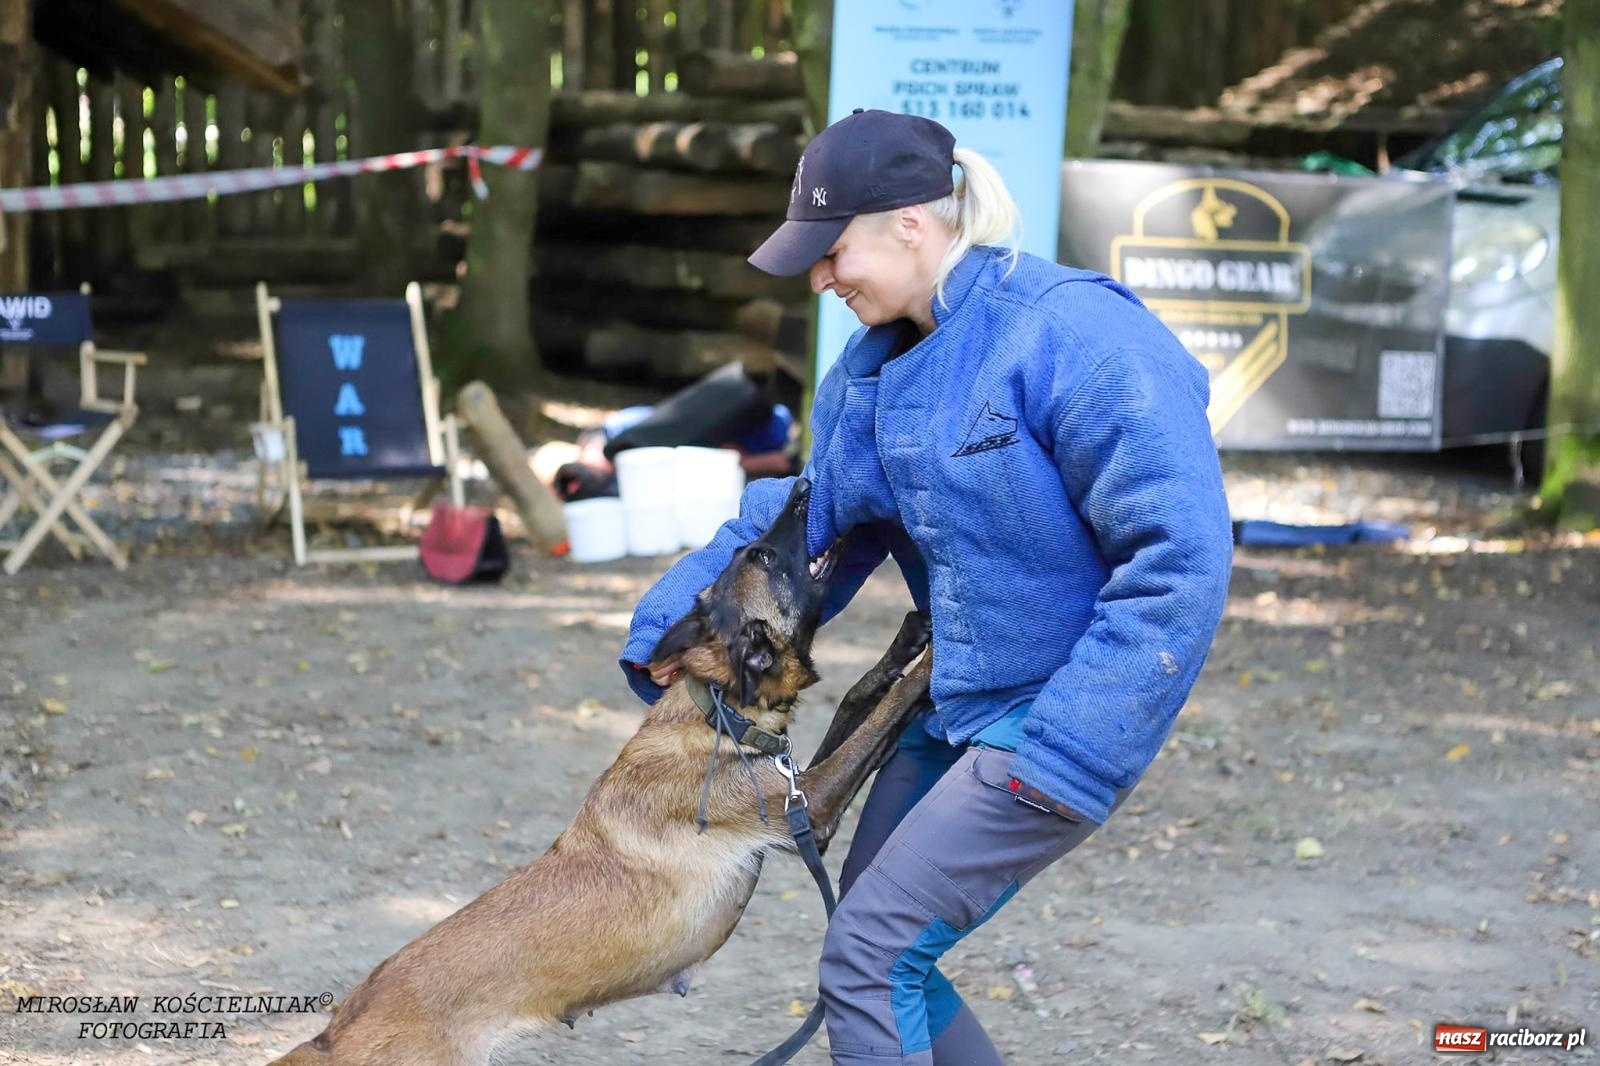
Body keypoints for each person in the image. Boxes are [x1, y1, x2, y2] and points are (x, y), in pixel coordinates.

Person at [619, 109, 1233, 1066]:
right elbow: (799, 525)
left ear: (913, 222)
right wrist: (673, 628)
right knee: (872, 941)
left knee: (870, 960)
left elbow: (1182, 559)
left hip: (1057, 715)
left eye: (833, 251)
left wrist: (1071, 744)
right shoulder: (867, 373)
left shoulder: (1077, 334)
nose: (822, 279)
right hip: (951, 705)